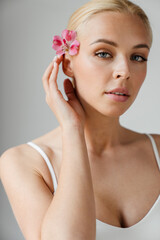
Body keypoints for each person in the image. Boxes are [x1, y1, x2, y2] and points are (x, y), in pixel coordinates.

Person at [0, 0, 160, 239]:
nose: (124, 70)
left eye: (137, 57)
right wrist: (72, 129)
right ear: (67, 64)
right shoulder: (24, 163)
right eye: (104, 53)